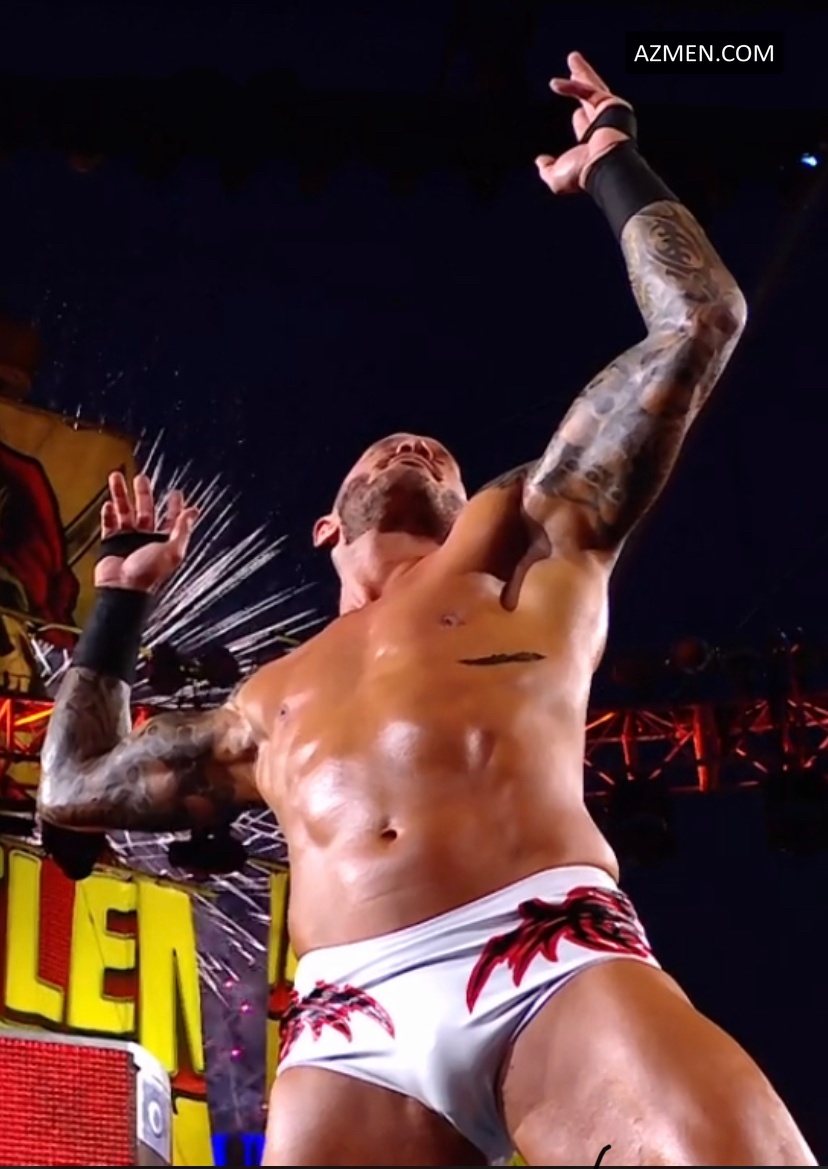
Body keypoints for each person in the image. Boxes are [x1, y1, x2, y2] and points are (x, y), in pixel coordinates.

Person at [37, 54, 814, 1167]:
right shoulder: (267, 701)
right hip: (348, 1022)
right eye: (385, 447)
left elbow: (699, 321)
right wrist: (118, 604)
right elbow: (72, 788)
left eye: (439, 455)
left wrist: (612, 161)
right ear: (326, 525)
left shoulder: (526, 539)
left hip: (545, 950)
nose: (416, 444)